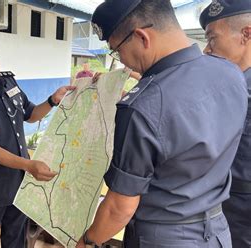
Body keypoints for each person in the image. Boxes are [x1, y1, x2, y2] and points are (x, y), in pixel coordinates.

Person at [77, 0, 248, 247]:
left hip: (162, 238)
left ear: (141, 37)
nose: (122, 61)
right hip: (219, 231)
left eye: (117, 50)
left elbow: (119, 207)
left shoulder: (141, 107)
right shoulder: (230, 73)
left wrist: (87, 241)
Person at [0, 31, 75, 247]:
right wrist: (29, 165)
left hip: (17, 187)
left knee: (16, 242)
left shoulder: (8, 83)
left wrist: (53, 100)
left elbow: (31, 114)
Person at [200, 1, 251, 247]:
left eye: (212, 39)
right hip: (222, 202)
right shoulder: (230, 85)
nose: (206, 50)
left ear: (246, 34)